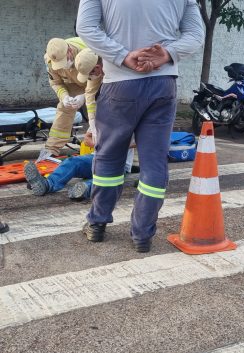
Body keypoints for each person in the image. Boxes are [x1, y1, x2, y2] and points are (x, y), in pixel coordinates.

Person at [76, 0, 204, 251]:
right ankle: (142, 236)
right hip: (163, 83)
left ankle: (97, 224)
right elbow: (196, 34)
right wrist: (167, 54)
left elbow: (86, 27)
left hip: (119, 84)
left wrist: (124, 56)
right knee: (154, 162)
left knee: (109, 157)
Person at [24, 132, 137, 199]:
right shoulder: (102, 112)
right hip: (96, 158)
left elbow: (141, 141)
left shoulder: (134, 116)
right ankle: (46, 185)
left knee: (105, 180)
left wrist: (116, 145)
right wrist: (99, 144)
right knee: (72, 162)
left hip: (119, 163)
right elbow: (87, 139)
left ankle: (85, 189)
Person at [37, 37, 88, 162]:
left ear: (70, 50)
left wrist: (85, 96)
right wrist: (64, 96)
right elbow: (56, 83)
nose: (63, 66)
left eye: (64, 61)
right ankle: (51, 150)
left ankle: (102, 148)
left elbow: (102, 82)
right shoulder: (49, 59)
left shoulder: (88, 52)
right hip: (74, 83)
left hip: (94, 81)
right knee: (64, 107)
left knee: (99, 110)